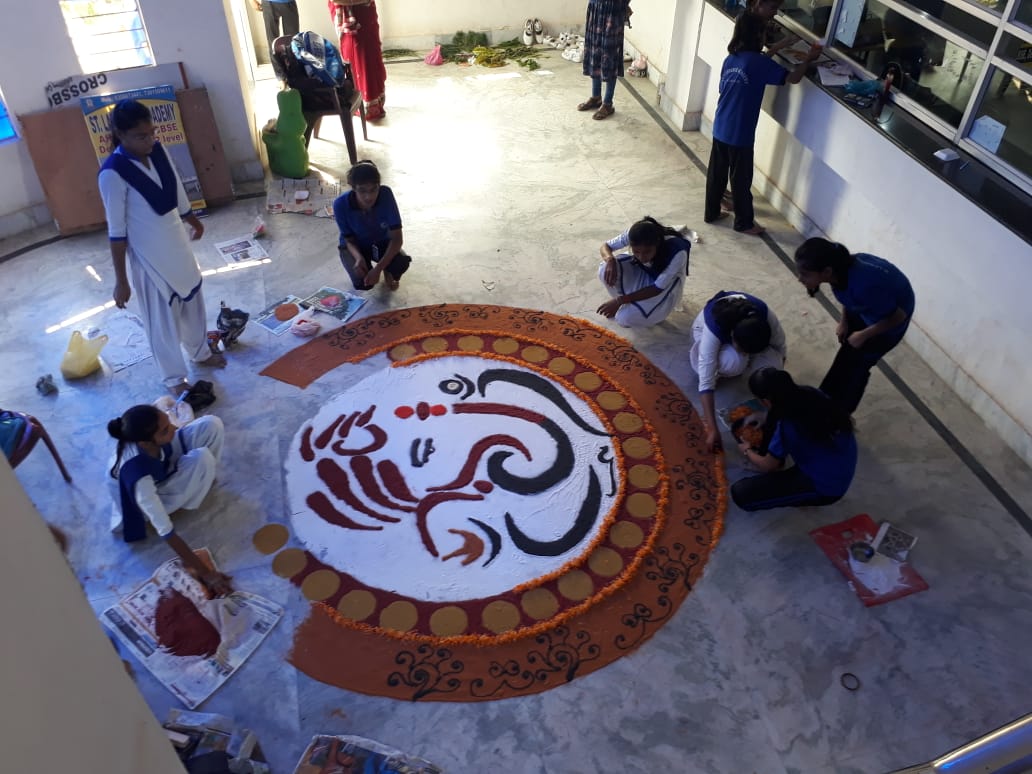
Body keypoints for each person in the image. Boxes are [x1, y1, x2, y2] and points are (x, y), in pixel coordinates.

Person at [98, 100, 224, 396]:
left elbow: (177, 193)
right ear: (120, 134)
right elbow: (116, 234)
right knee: (162, 321)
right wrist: (121, 281)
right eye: (141, 136)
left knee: (193, 300)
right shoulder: (111, 174)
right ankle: (174, 378)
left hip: (176, 243)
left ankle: (200, 353)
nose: (150, 140)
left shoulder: (158, 150)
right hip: (148, 259)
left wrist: (193, 221)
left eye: (151, 132)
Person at [704, 11, 822, 235]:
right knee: (741, 181)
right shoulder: (758, 63)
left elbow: (754, 66)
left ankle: (711, 212)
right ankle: (744, 223)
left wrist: (779, 47)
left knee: (716, 175)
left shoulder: (733, 58)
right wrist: (809, 59)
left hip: (721, 126)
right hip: (740, 134)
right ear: (758, 35)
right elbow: (792, 78)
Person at [107, 405, 232, 596]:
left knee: (211, 424)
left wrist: (166, 433)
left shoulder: (146, 433)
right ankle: (195, 484)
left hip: (159, 463)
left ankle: (203, 477)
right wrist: (206, 573)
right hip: (141, 505)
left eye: (168, 422)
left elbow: (171, 433)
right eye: (166, 430)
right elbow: (166, 531)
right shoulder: (138, 478)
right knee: (203, 459)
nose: (174, 428)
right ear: (145, 443)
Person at [795, 237, 915, 414]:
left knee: (858, 367)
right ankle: (824, 398)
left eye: (805, 274)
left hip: (886, 324)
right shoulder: (841, 268)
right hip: (868, 309)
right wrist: (844, 321)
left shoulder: (865, 285)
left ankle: (841, 416)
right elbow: (848, 294)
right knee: (847, 354)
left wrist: (864, 334)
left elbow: (898, 316)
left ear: (826, 271)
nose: (800, 279)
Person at [731, 368, 857, 511]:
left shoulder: (787, 425)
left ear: (766, 401)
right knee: (774, 421)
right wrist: (764, 415)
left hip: (826, 487)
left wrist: (746, 450)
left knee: (741, 494)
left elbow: (768, 465)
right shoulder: (810, 392)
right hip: (839, 461)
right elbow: (781, 412)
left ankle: (806, 494)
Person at [690, 290, 787, 450]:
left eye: (750, 353)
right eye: (744, 350)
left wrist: (774, 405)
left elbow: (780, 352)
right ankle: (727, 368)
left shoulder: (766, 318)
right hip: (702, 330)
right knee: (733, 361)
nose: (747, 354)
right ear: (733, 335)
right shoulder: (715, 326)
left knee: (772, 365)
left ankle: (743, 360)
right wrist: (712, 429)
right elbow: (705, 383)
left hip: (746, 336)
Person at [597, 217, 691, 328]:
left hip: (664, 285)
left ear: (657, 244)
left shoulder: (677, 252)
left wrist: (619, 300)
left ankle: (656, 313)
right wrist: (610, 259)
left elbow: (657, 288)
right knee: (604, 270)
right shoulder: (636, 233)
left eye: (647, 252)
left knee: (624, 319)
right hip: (645, 271)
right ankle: (629, 303)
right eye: (636, 251)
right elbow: (605, 246)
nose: (641, 257)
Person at [332, 160, 411, 291]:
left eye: (374, 189)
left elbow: (397, 238)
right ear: (353, 188)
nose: (368, 197)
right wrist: (358, 258)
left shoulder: (385, 194)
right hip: (355, 245)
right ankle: (374, 263)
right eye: (362, 191)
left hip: (381, 241)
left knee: (400, 263)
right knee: (363, 283)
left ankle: (388, 270)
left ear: (379, 186)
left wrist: (379, 268)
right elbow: (349, 240)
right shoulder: (340, 204)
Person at [330, 0, 388, 121]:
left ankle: (374, 103)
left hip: (366, 15)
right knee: (357, 59)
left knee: (370, 57)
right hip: (349, 20)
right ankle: (363, 105)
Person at [577, 0, 633, 121]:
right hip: (595, 8)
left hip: (613, 11)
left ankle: (608, 104)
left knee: (610, 57)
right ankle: (596, 97)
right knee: (594, 54)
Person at [252, 0, 299, 80]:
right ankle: (280, 77)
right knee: (272, 42)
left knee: (292, 42)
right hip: (269, 3)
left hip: (289, 2)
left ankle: (294, 74)